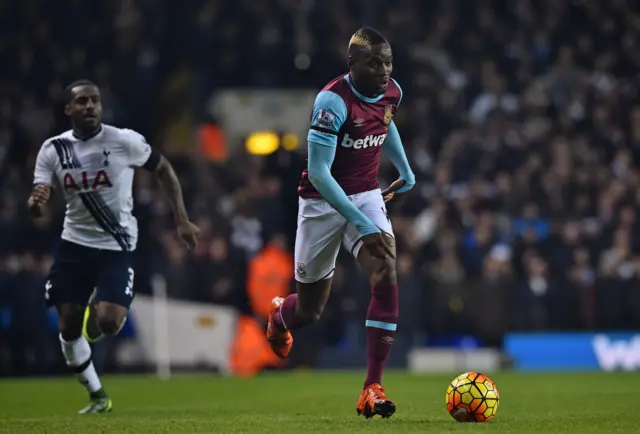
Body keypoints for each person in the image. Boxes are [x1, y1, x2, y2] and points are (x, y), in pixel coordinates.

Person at [266, 27, 415, 419]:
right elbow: (319, 173)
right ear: (352, 64)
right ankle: (280, 316)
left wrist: (403, 166)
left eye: (388, 62)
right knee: (310, 312)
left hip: (366, 194)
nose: (384, 70)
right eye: (374, 62)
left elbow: (386, 121)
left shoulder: (392, 91)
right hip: (321, 202)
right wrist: (359, 223)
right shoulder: (331, 101)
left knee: (385, 267)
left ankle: (372, 387)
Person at [28, 80, 200, 413]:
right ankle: (96, 394)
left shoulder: (123, 140)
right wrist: (36, 205)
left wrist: (181, 218)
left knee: (108, 322)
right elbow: (39, 200)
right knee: (67, 325)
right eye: (82, 101)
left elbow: (163, 167)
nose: (90, 106)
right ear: (69, 110)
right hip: (73, 245)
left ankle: (99, 306)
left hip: (116, 245)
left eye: (95, 101)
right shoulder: (53, 149)